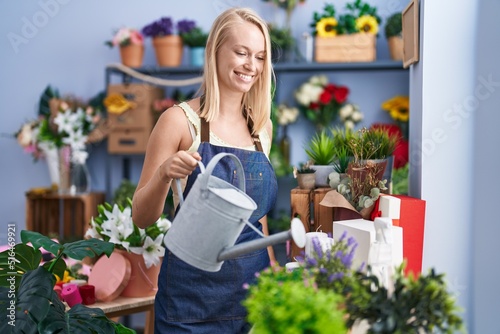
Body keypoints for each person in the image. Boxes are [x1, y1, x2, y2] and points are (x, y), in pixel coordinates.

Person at [132, 7, 277, 333]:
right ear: (215, 51)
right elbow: (141, 217)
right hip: (190, 303)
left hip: (250, 298)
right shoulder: (179, 121)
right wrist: (164, 174)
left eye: (259, 56)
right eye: (241, 52)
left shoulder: (260, 129)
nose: (250, 65)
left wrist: (272, 268)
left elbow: (256, 218)